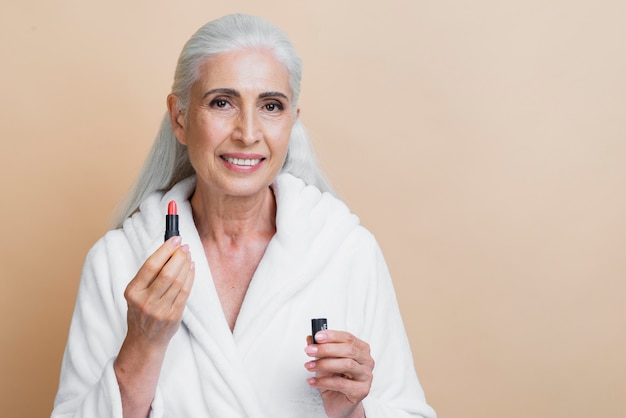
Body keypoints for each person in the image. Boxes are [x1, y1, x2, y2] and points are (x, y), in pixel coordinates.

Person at [52, 13, 436, 418]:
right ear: (180, 117)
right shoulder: (117, 262)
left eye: (271, 106)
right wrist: (142, 346)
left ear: (292, 122)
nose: (248, 132)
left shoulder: (347, 253)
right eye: (222, 102)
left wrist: (351, 412)